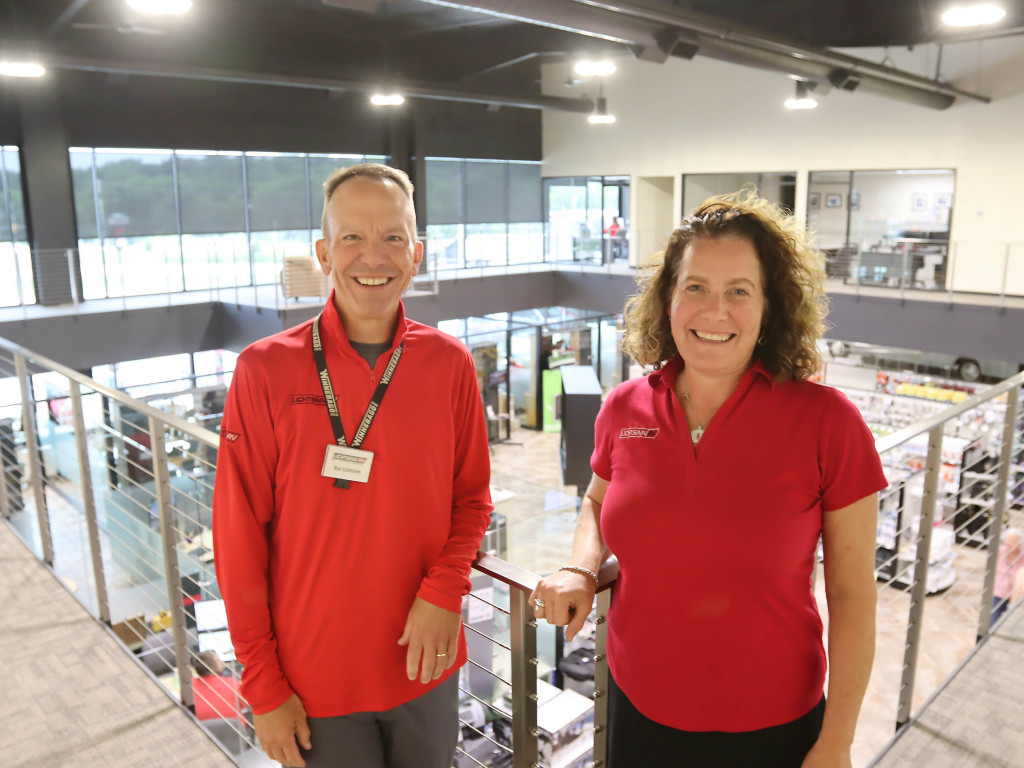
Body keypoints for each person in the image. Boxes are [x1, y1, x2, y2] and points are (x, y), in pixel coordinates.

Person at [530, 191, 887, 768]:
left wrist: (838, 741)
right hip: (636, 704)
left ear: (770, 306)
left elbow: (852, 595)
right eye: (695, 287)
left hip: (771, 726)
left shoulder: (828, 422)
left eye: (738, 291)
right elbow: (597, 503)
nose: (713, 311)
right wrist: (579, 567)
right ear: (668, 298)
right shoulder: (624, 407)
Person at [213, 163, 493, 768]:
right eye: (352, 237)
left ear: (416, 253)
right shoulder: (264, 370)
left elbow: (471, 499)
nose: (375, 256)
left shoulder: (448, 364)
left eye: (393, 237)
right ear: (323, 252)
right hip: (316, 675)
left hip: (426, 663)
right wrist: (261, 682)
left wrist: (446, 588)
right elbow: (237, 537)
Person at [192, 650, 244, 723]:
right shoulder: (232, 683)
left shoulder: (189, 686)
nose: (222, 663)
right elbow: (245, 704)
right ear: (212, 668)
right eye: (219, 660)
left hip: (202, 732)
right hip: (234, 731)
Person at [991, 528, 1023, 627]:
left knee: (1013, 624)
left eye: (1012, 541)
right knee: (992, 623)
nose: (1008, 543)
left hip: (1016, 596)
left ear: (1019, 543)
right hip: (999, 594)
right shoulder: (999, 552)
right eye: (1007, 540)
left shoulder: (1022, 557)